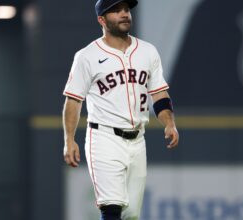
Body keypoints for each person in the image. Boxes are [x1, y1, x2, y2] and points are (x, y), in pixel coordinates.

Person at [62, 0, 179, 219]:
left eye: (126, 9)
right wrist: (69, 139)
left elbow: (160, 94)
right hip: (103, 137)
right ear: (101, 19)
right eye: (116, 10)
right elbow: (73, 100)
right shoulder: (87, 56)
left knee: (131, 214)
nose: (124, 14)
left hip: (137, 140)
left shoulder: (147, 51)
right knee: (112, 206)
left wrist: (169, 123)